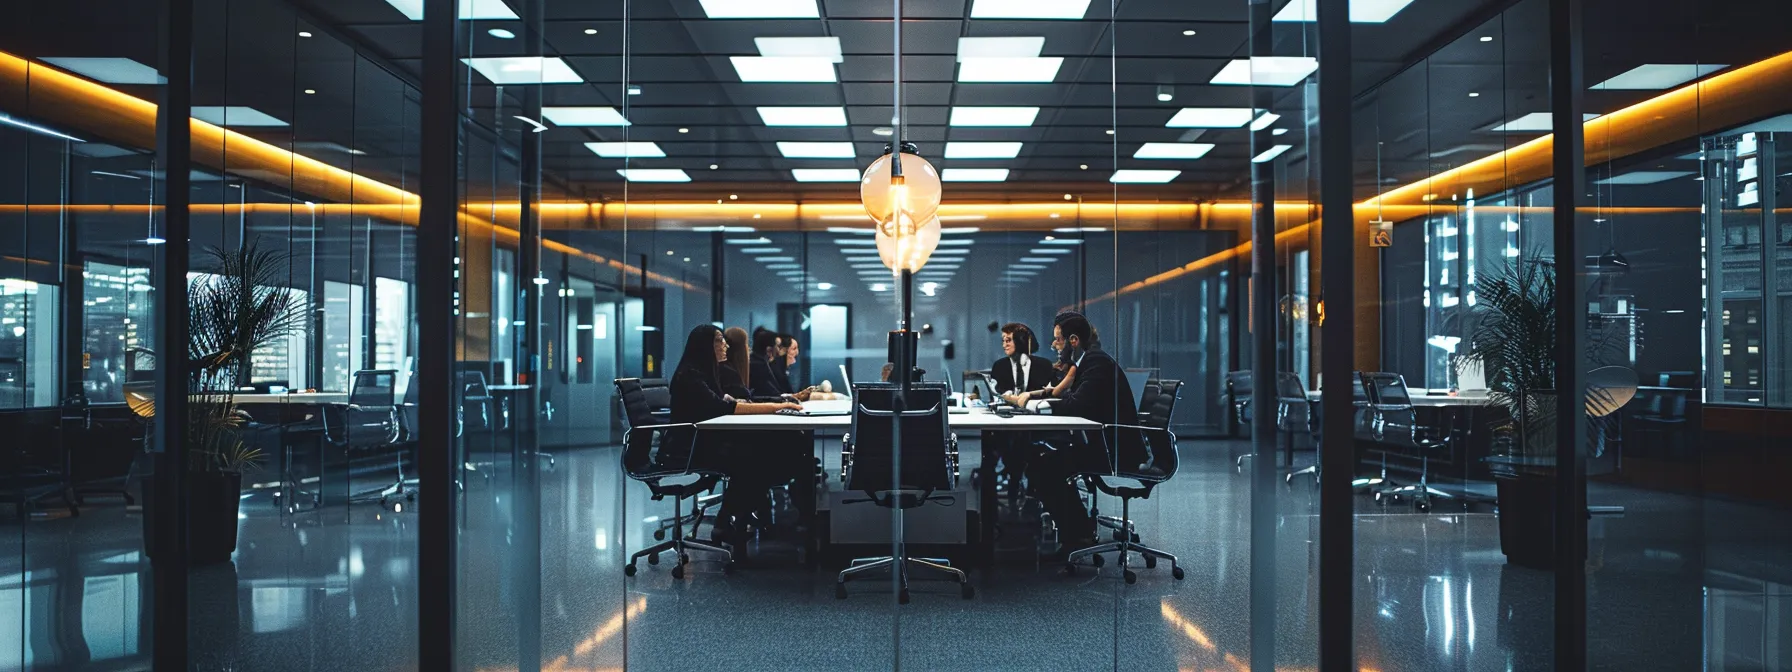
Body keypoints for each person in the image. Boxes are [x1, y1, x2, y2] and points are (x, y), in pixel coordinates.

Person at [668, 325, 814, 552]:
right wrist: (777, 406)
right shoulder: (690, 376)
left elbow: (729, 402)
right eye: (719, 340)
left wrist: (771, 404)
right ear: (705, 346)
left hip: (706, 441)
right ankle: (730, 521)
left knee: (764, 451)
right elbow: (725, 407)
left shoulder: (704, 372)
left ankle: (729, 520)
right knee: (757, 458)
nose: (725, 345)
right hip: (692, 447)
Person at [1018, 312, 1140, 561]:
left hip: (1115, 449)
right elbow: (1073, 399)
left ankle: (1079, 536)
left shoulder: (1096, 362)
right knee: (1042, 462)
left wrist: (1042, 405)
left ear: (1073, 340)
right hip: (1103, 443)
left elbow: (1077, 405)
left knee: (1045, 467)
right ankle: (1078, 532)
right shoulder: (1088, 362)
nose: (1054, 345)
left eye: (1058, 339)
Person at [990, 323, 1053, 396]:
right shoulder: (999, 366)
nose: (1004, 345)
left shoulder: (1044, 365)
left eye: (1008, 340)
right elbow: (995, 393)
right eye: (1003, 341)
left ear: (1020, 341)